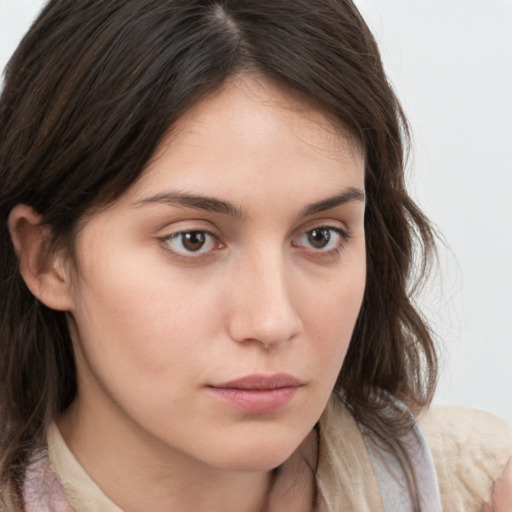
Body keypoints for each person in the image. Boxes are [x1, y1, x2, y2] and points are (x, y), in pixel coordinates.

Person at [0, 1, 510, 511]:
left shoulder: (479, 487)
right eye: (192, 239)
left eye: (320, 237)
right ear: (48, 259)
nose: (272, 322)